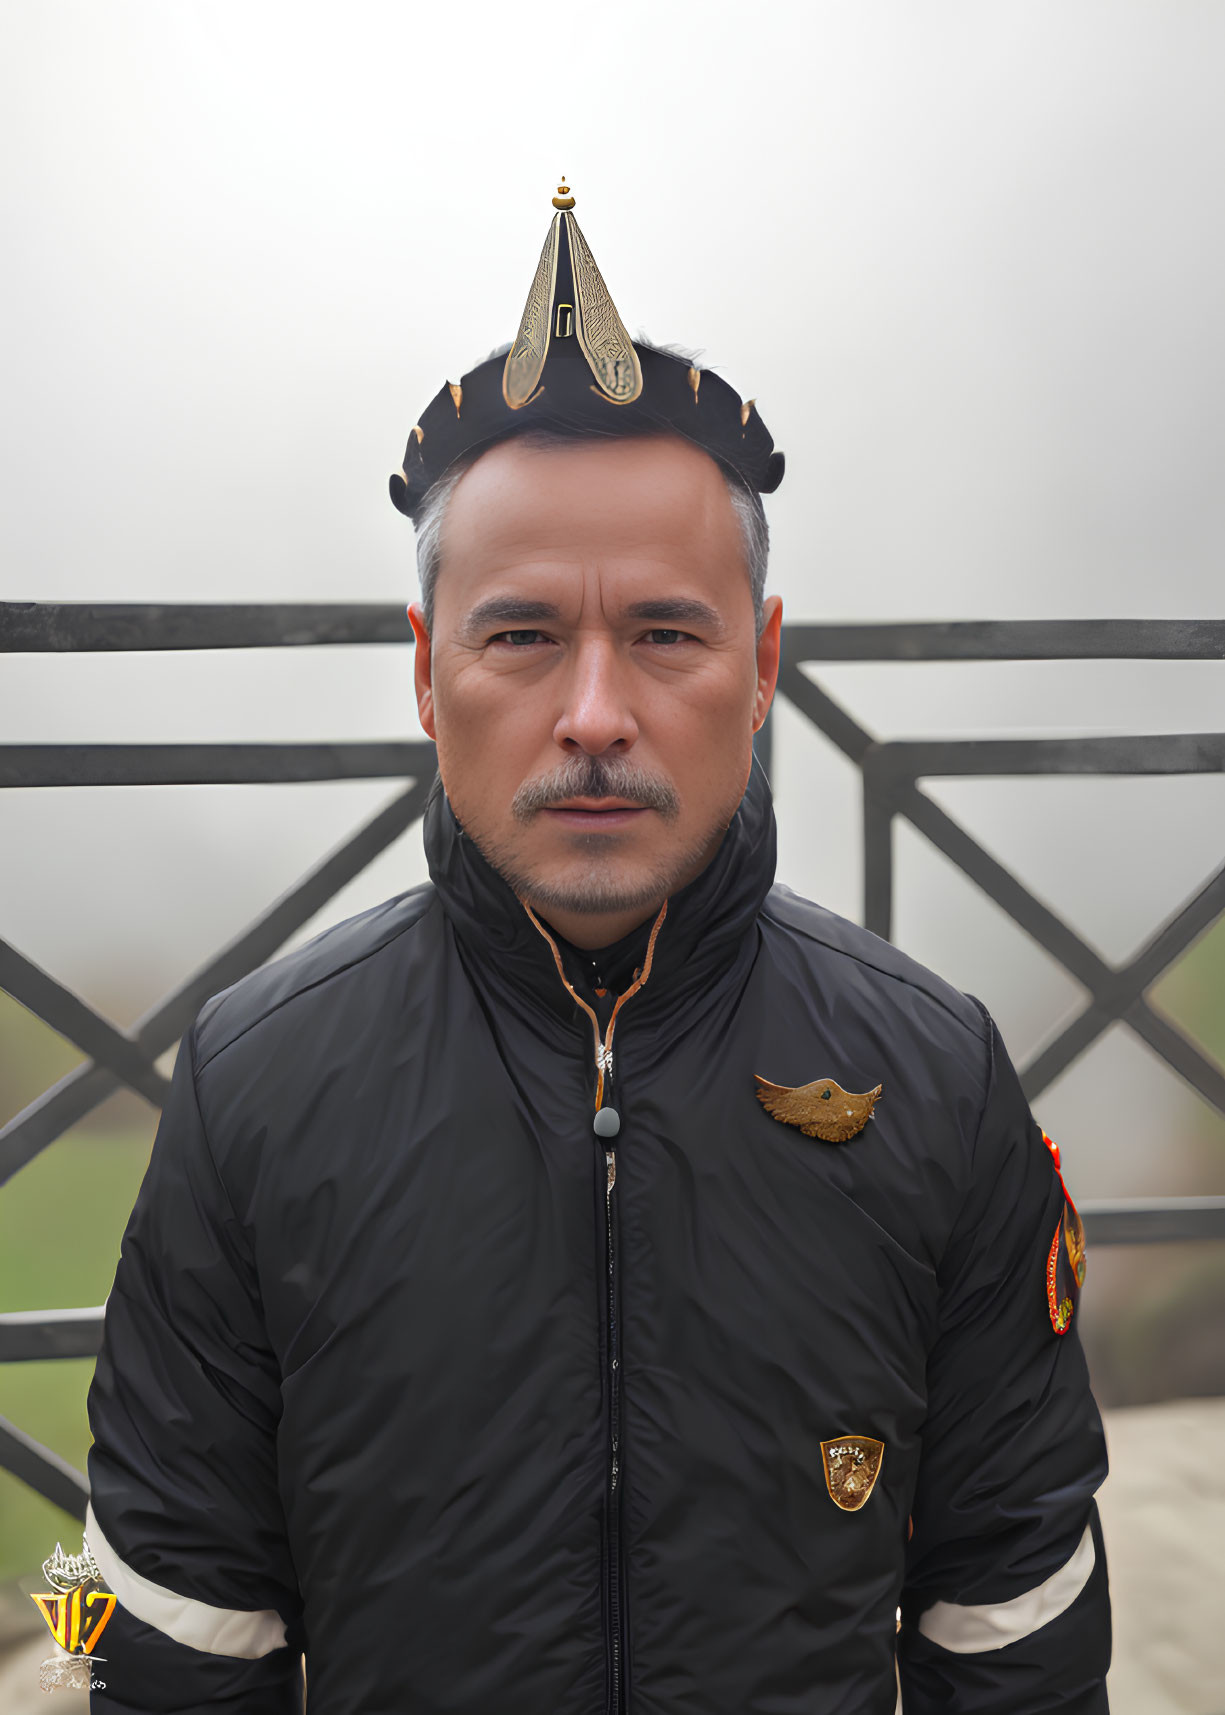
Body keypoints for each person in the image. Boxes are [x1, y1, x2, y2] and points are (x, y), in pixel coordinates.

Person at [82, 183, 1111, 1713]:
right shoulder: (255, 1084)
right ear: (427, 674)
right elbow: (154, 1613)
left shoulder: (933, 1070)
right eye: (519, 637)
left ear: (761, 666)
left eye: (665, 633)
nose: (591, 715)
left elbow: (1015, 1615)